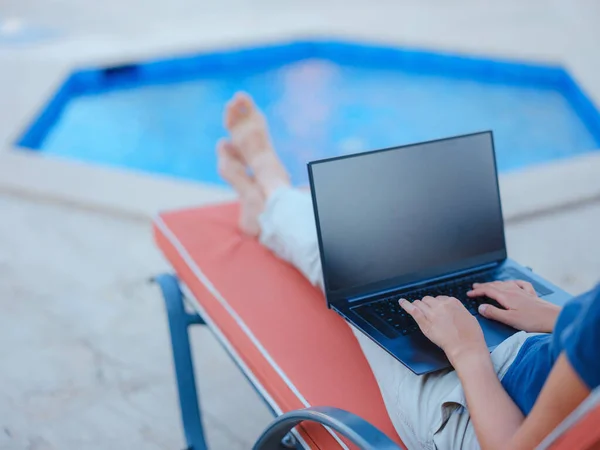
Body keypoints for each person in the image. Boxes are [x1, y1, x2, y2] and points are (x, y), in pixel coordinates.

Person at [216, 92, 600, 450]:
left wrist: (468, 352)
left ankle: (270, 182)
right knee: (400, 261)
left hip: (480, 412)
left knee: (354, 268)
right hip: (537, 358)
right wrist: (563, 318)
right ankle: (265, 208)